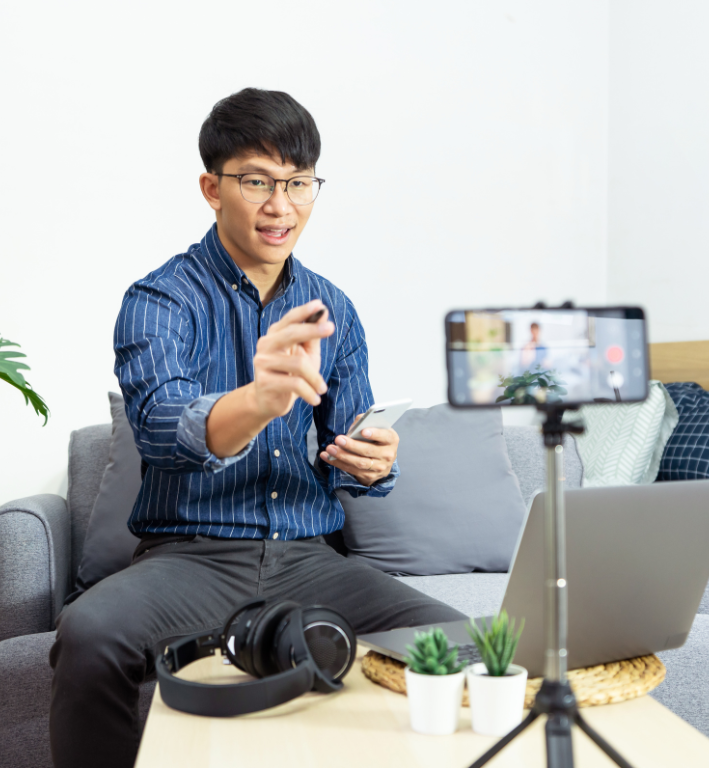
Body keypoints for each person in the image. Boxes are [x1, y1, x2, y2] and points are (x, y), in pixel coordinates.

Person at [48, 88, 466, 768]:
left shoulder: (334, 306)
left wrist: (370, 462)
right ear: (212, 188)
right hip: (190, 556)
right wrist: (259, 400)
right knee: (91, 634)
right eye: (258, 182)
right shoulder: (160, 300)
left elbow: (344, 441)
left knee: (464, 643)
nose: (282, 207)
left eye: (299, 183)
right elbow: (161, 430)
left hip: (309, 557)